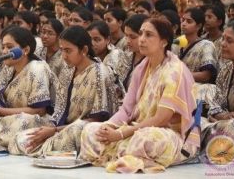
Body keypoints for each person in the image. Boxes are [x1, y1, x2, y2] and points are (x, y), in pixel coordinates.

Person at [78, 17, 199, 173]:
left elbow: (161, 119)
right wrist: (108, 126)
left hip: (168, 134)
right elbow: (126, 109)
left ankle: (122, 153)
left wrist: (121, 133)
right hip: (136, 128)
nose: (141, 39)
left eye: (148, 35)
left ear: (163, 42)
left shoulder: (175, 71)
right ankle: (125, 154)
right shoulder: (141, 68)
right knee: (91, 130)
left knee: (147, 139)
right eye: (141, 34)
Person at [11, 25, 118, 157]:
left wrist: (54, 130)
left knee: (76, 129)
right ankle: (55, 149)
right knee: (21, 139)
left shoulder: (99, 73)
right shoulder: (68, 70)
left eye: (68, 51)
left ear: (84, 50)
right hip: (63, 127)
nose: (64, 56)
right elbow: (60, 108)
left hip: (87, 130)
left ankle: (57, 150)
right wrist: (50, 127)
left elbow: (96, 120)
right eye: (62, 50)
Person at [0, 26, 57, 152]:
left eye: (9, 47)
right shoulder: (8, 68)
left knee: (22, 120)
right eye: (3, 47)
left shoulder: (37, 69)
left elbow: (39, 111)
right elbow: (1, 105)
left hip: (35, 120)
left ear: (25, 50)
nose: (4, 51)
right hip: (9, 117)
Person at [201, 20, 234, 160]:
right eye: (223, 39)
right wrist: (222, 115)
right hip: (226, 123)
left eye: (230, 41)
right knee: (203, 90)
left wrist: (232, 117)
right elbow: (217, 102)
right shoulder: (226, 69)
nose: (223, 44)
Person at [174, 7, 218, 83]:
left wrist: (181, 75)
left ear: (199, 26)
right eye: (183, 20)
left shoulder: (206, 45)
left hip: (198, 89)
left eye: (189, 21)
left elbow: (206, 75)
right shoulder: (178, 43)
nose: (184, 24)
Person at [116, 14, 148, 90]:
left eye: (133, 37)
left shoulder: (153, 61)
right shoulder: (125, 56)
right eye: (126, 36)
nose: (128, 41)